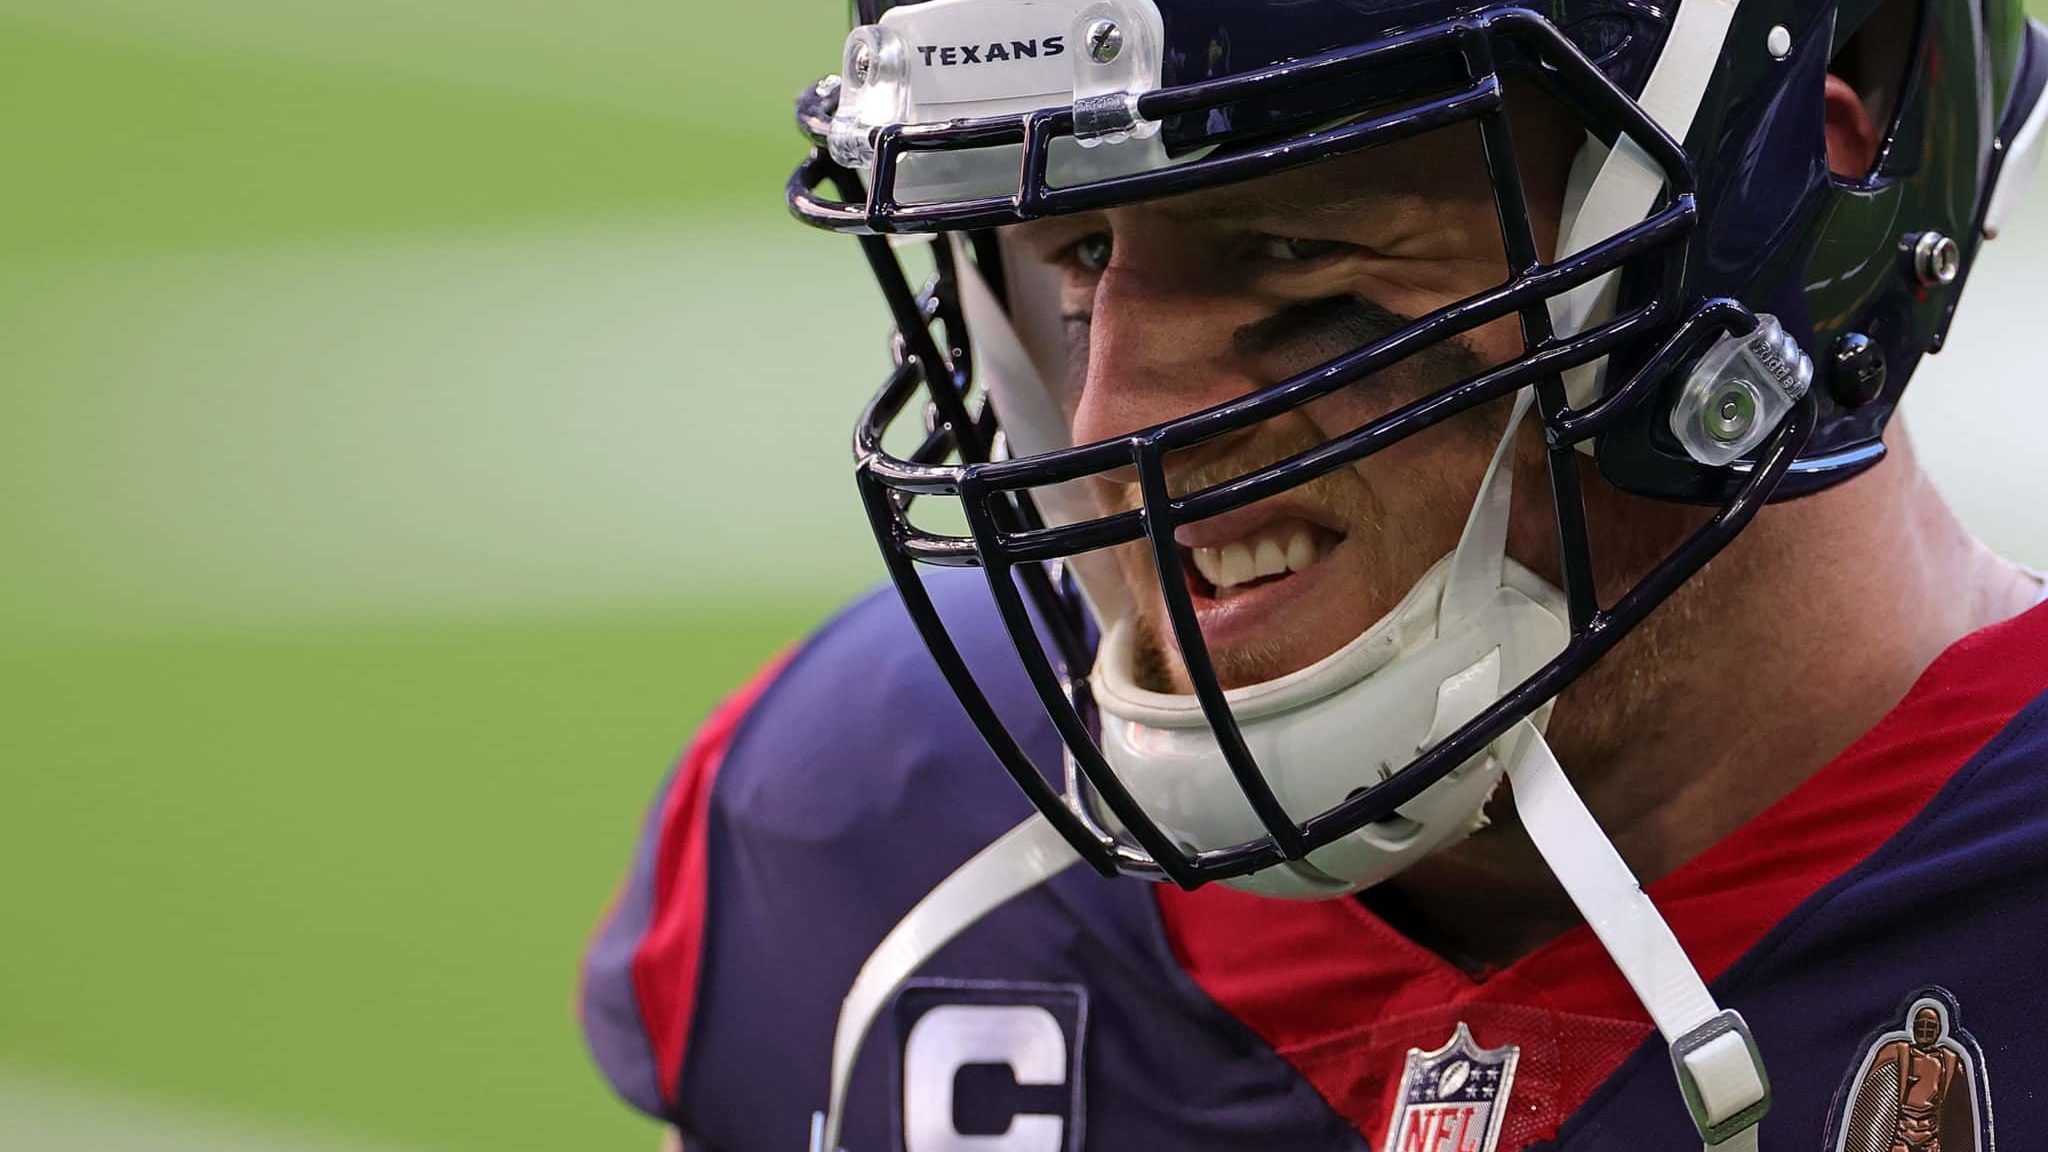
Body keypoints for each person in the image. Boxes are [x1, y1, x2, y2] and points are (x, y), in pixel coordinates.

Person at [581, 2, 2048, 1150]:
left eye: (1295, 251)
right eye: (1075, 254)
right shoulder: (865, 821)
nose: (1117, 423)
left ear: (1797, 209)